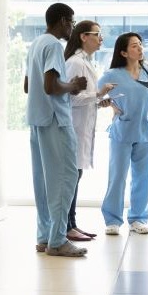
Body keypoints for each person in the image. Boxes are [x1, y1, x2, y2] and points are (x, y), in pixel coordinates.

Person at [25, 3, 88, 257]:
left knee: (43, 182)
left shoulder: (35, 44)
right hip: (55, 120)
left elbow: (29, 86)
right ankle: (59, 240)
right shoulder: (53, 45)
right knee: (65, 178)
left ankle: (44, 236)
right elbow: (51, 86)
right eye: (71, 22)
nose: (72, 27)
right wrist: (72, 85)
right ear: (62, 21)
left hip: (37, 120)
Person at [97, 32, 148, 235]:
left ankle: (138, 218)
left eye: (140, 44)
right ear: (123, 52)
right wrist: (109, 104)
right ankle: (112, 220)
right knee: (117, 177)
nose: (140, 48)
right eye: (134, 46)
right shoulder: (112, 74)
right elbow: (94, 97)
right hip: (122, 131)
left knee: (144, 178)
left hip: (145, 131)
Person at [63, 21, 115, 241]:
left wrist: (98, 101)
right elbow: (70, 97)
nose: (101, 38)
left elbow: (82, 99)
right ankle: (67, 226)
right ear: (84, 37)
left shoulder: (86, 62)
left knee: (76, 174)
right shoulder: (75, 63)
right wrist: (97, 94)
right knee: (71, 176)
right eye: (97, 34)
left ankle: (72, 223)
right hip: (73, 127)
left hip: (82, 126)